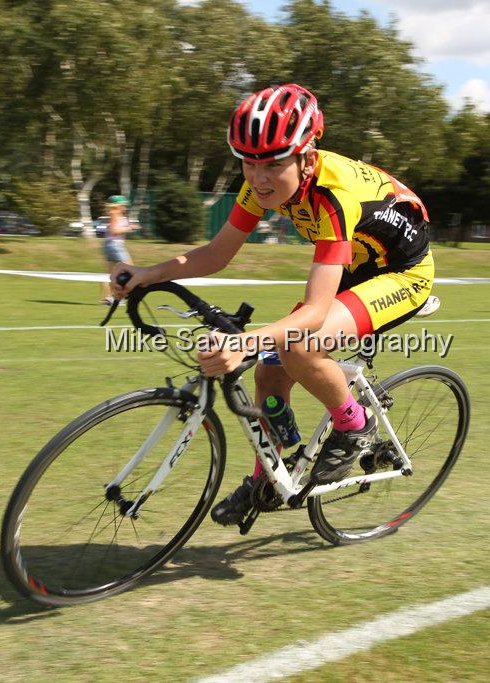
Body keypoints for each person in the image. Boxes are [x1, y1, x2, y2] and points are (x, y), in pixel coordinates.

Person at [111, 84, 435, 526]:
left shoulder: (332, 196)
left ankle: (355, 425)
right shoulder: (260, 187)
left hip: (400, 273)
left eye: (273, 164)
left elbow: (315, 314)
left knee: (299, 345)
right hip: (354, 263)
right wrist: (149, 273)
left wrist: (244, 341)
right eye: (249, 162)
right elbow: (217, 253)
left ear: (306, 156)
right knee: (268, 371)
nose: (259, 177)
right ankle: (270, 476)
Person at [101, 195, 136, 304]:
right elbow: (114, 231)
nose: (125, 207)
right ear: (118, 205)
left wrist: (128, 225)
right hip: (115, 245)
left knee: (112, 274)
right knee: (132, 271)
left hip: (110, 245)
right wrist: (130, 228)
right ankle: (122, 296)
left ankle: (109, 298)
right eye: (123, 205)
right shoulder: (114, 213)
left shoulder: (117, 214)